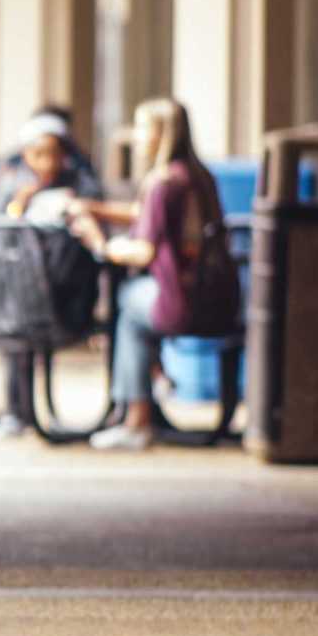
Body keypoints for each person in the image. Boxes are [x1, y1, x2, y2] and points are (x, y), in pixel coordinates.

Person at [64, 97, 240, 452]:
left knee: (127, 303)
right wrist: (95, 208)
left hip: (181, 303)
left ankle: (136, 418)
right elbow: (144, 216)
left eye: (144, 128)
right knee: (136, 297)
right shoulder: (198, 176)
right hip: (220, 298)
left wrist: (98, 243)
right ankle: (156, 382)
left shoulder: (163, 183)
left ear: (161, 134)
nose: (138, 136)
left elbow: (144, 249)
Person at [0, 110, 102, 438]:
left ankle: (18, 410)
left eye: (53, 153)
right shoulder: (10, 185)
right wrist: (17, 207)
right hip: (11, 286)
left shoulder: (82, 188)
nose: (46, 162)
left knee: (20, 304)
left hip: (60, 295)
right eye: (37, 154)